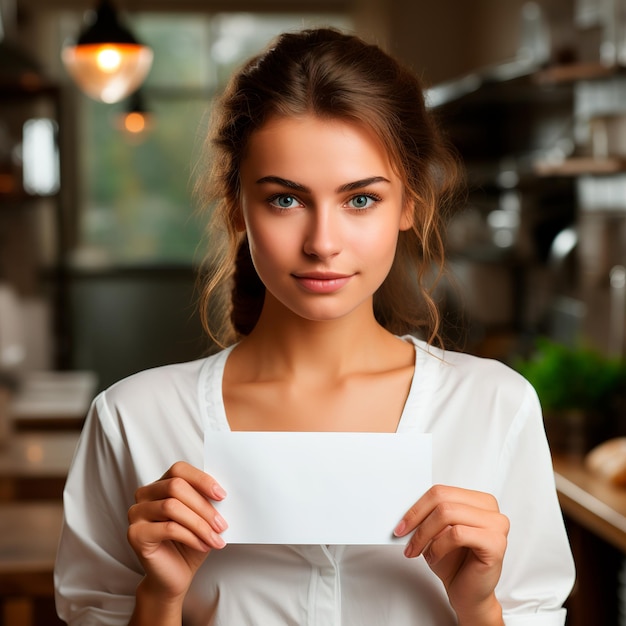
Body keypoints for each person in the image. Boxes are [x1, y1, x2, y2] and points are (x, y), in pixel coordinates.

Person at [54, 27, 575, 626]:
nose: (323, 243)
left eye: (360, 200)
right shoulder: (133, 419)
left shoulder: (495, 408)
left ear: (409, 204)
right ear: (236, 207)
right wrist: (159, 598)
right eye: (285, 199)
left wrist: (480, 607)